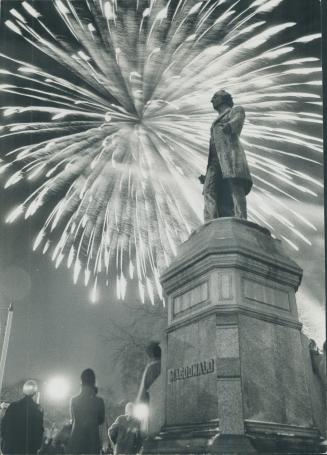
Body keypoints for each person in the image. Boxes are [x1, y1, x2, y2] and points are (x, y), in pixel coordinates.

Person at [200, 89, 252, 221]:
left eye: (215, 97)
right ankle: (210, 221)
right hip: (214, 163)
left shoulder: (235, 110)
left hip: (230, 157)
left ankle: (241, 218)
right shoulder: (215, 122)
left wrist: (230, 126)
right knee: (208, 190)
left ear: (224, 98)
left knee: (235, 186)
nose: (212, 100)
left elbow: (238, 120)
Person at [0, 379, 44, 454]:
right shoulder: (38, 410)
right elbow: (39, 433)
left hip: (11, 448)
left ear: (24, 391)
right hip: (28, 450)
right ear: (35, 393)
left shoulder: (13, 406)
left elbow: (4, 427)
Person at [67, 368, 105, 454]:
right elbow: (101, 420)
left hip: (76, 440)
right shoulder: (99, 401)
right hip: (92, 440)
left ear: (81, 381)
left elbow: (73, 419)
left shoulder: (74, 400)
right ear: (94, 381)